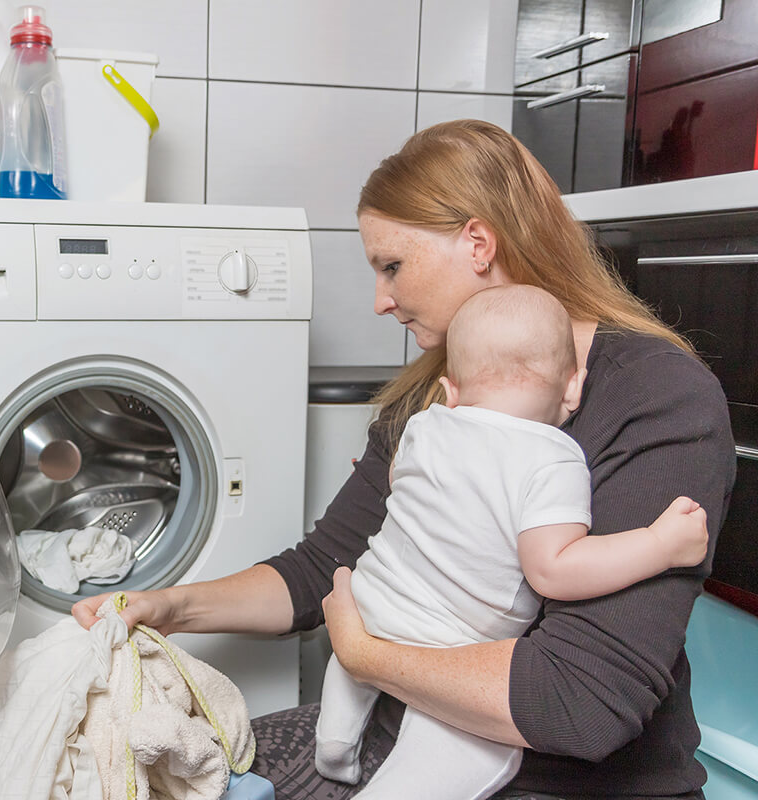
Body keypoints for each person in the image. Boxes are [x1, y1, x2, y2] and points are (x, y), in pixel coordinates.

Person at [73, 119, 736, 799]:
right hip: (386, 736)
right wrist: (166, 606)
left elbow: (580, 704)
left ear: (477, 243)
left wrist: (366, 656)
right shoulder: (434, 398)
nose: (380, 300)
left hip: (559, 781)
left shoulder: (657, 397)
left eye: (393, 265)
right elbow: (320, 569)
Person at [313, 283, 708, 800]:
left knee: (347, 678)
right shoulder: (555, 458)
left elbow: (399, 485)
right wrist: (659, 544)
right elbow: (555, 570)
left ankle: (334, 746)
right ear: (572, 389)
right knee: (467, 750)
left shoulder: (424, 425)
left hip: (370, 602)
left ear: (450, 390)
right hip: (449, 647)